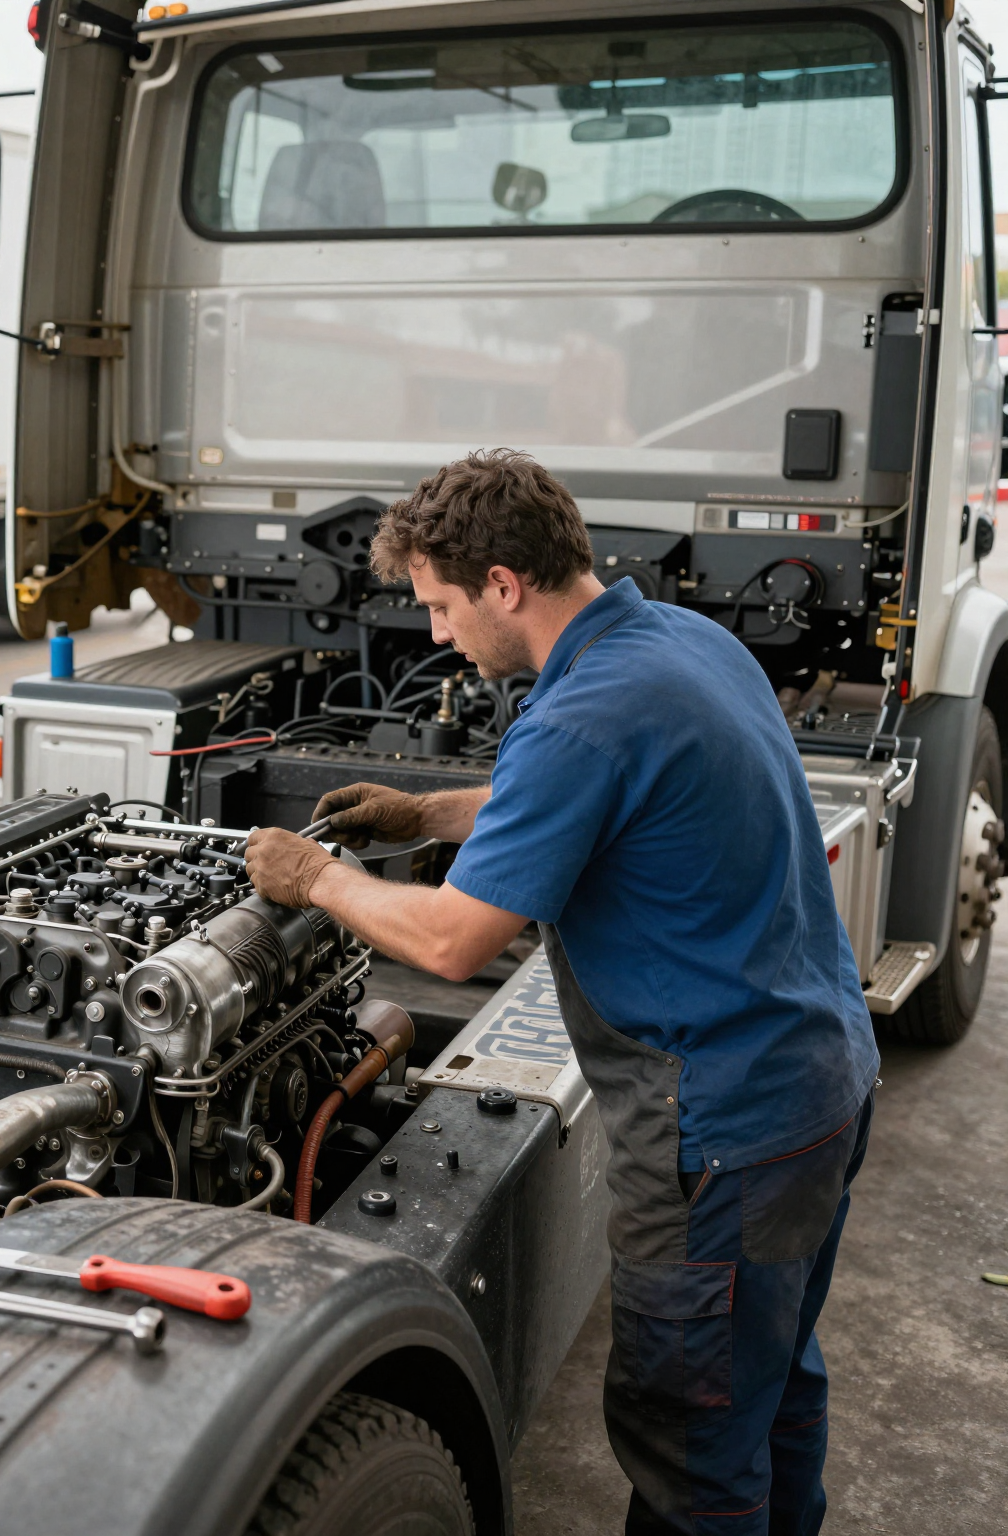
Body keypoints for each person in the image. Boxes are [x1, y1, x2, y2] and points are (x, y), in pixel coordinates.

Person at [245, 448, 879, 1536]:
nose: (437, 633)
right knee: (773, 1391)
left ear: (503, 583)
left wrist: (317, 879)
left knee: (691, 1448)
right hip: (823, 1087)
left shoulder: (579, 715)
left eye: (442, 605)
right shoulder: (679, 644)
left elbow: (450, 942)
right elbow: (600, 789)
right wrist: (429, 812)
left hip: (720, 1136)